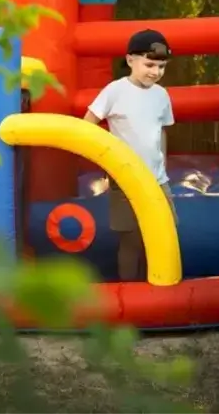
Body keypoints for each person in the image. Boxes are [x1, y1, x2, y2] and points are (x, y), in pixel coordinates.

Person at [84, 28, 177, 281]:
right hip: (125, 179)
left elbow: (162, 131)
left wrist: (163, 164)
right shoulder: (115, 91)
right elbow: (87, 125)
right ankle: (130, 292)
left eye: (161, 66)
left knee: (164, 233)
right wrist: (106, 160)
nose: (155, 72)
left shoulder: (161, 95)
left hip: (158, 179)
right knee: (132, 239)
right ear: (130, 60)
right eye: (149, 64)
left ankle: (159, 287)